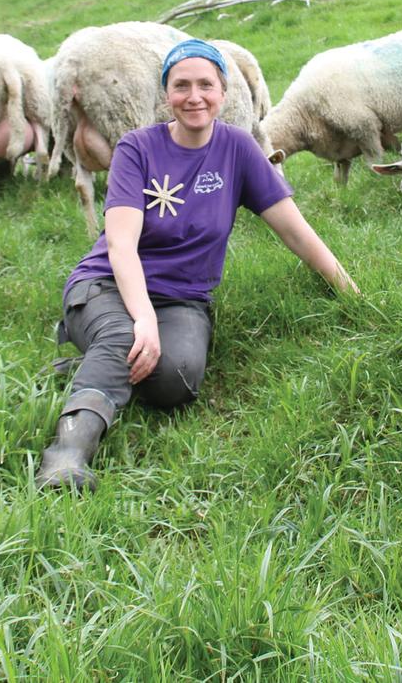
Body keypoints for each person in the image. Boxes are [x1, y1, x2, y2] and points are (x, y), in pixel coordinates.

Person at [36, 38, 359, 493]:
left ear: (222, 92)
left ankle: (95, 363)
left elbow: (293, 229)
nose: (194, 96)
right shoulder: (137, 148)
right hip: (108, 284)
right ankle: (66, 455)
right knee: (124, 335)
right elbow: (121, 246)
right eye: (181, 85)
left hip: (183, 298)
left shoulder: (238, 149)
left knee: (176, 383)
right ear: (165, 93)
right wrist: (143, 317)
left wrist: (350, 291)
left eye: (205, 84)